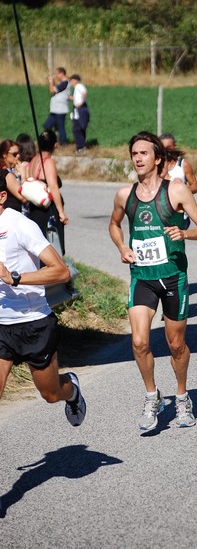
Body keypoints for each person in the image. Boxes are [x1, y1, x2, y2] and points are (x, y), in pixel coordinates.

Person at [109, 131, 197, 432]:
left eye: (143, 153)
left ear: (157, 158)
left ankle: (182, 397)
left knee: (175, 344)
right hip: (142, 276)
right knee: (139, 342)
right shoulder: (124, 195)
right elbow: (114, 224)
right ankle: (152, 397)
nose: (138, 158)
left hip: (173, 277)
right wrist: (122, 247)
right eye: (134, 154)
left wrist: (186, 233)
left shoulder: (176, 190)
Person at [0, 170, 86, 426]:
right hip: (1, 325)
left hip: (33, 322)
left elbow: (60, 271)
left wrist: (14, 278)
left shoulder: (20, 225)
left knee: (50, 393)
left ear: (2, 196)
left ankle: (71, 390)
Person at [28, 130, 69, 255]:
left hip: (34, 208)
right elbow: (53, 187)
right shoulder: (48, 162)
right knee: (52, 245)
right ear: (55, 145)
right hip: (47, 210)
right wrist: (61, 213)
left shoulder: (34, 160)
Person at [43, 67, 70, 146]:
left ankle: (63, 143)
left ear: (62, 73)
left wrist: (51, 81)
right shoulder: (61, 83)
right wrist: (52, 81)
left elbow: (52, 90)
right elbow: (54, 89)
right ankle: (49, 140)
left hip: (60, 110)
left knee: (60, 127)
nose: (56, 76)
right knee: (47, 125)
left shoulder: (64, 83)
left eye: (57, 74)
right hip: (55, 110)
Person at [0, 139, 26, 212]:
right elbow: (23, 197)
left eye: (19, 153)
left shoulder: (10, 171)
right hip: (14, 213)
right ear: (4, 154)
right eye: (14, 154)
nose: (18, 156)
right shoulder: (7, 174)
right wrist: (23, 176)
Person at [69, 74, 90, 155]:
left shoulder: (79, 86)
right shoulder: (76, 88)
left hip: (81, 109)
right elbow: (78, 97)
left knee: (77, 129)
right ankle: (82, 145)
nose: (70, 82)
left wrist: (81, 103)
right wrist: (71, 98)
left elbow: (85, 93)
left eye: (71, 80)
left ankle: (80, 147)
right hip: (77, 110)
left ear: (75, 80)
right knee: (79, 128)